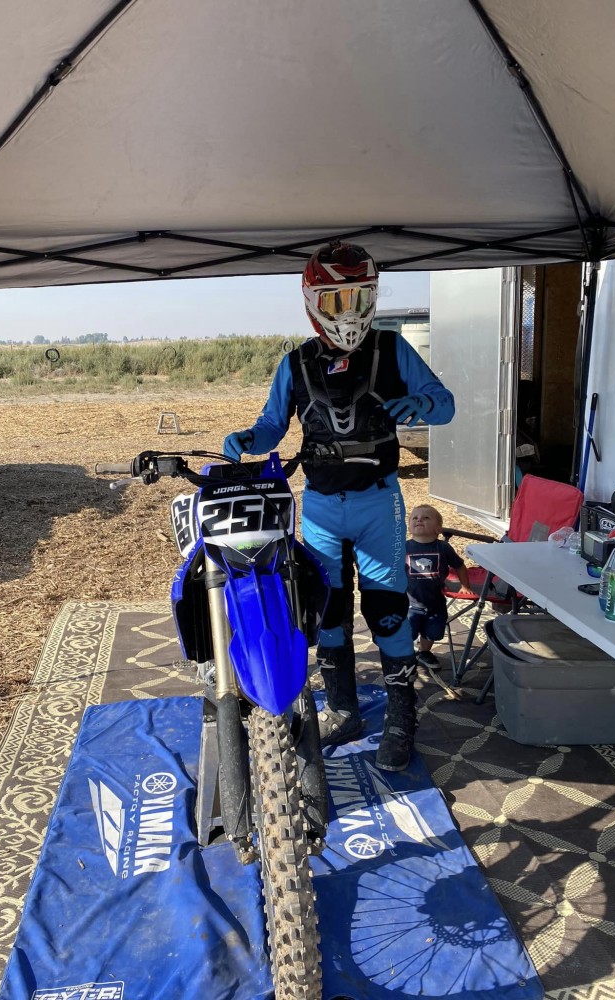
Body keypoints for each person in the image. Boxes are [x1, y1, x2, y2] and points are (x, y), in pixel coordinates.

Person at [223, 241, 455, 771]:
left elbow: (446, 405)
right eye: (335, 302)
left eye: (358, 299)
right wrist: (250, 439)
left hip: (378, 503)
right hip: (322, 507)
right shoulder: (296, 364)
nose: (348, 313)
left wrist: (420, 401)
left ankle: (401, 719)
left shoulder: (393, 350)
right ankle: (343, 710)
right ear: (312, 303)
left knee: (388, 610)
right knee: (327, 610)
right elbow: (272, 423)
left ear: (372, 297)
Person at [406, 504, 470, 671]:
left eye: (426, 518)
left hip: (435, 602)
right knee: (407, 632)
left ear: (438, 529)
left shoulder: (443, 548)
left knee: (432, 632)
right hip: (409, 603)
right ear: (409, 527)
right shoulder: (404, 548)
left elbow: (459, 565)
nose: (419, 520)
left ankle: (424, 652)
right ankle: (405, 655)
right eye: (415, 518)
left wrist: (465, 586)